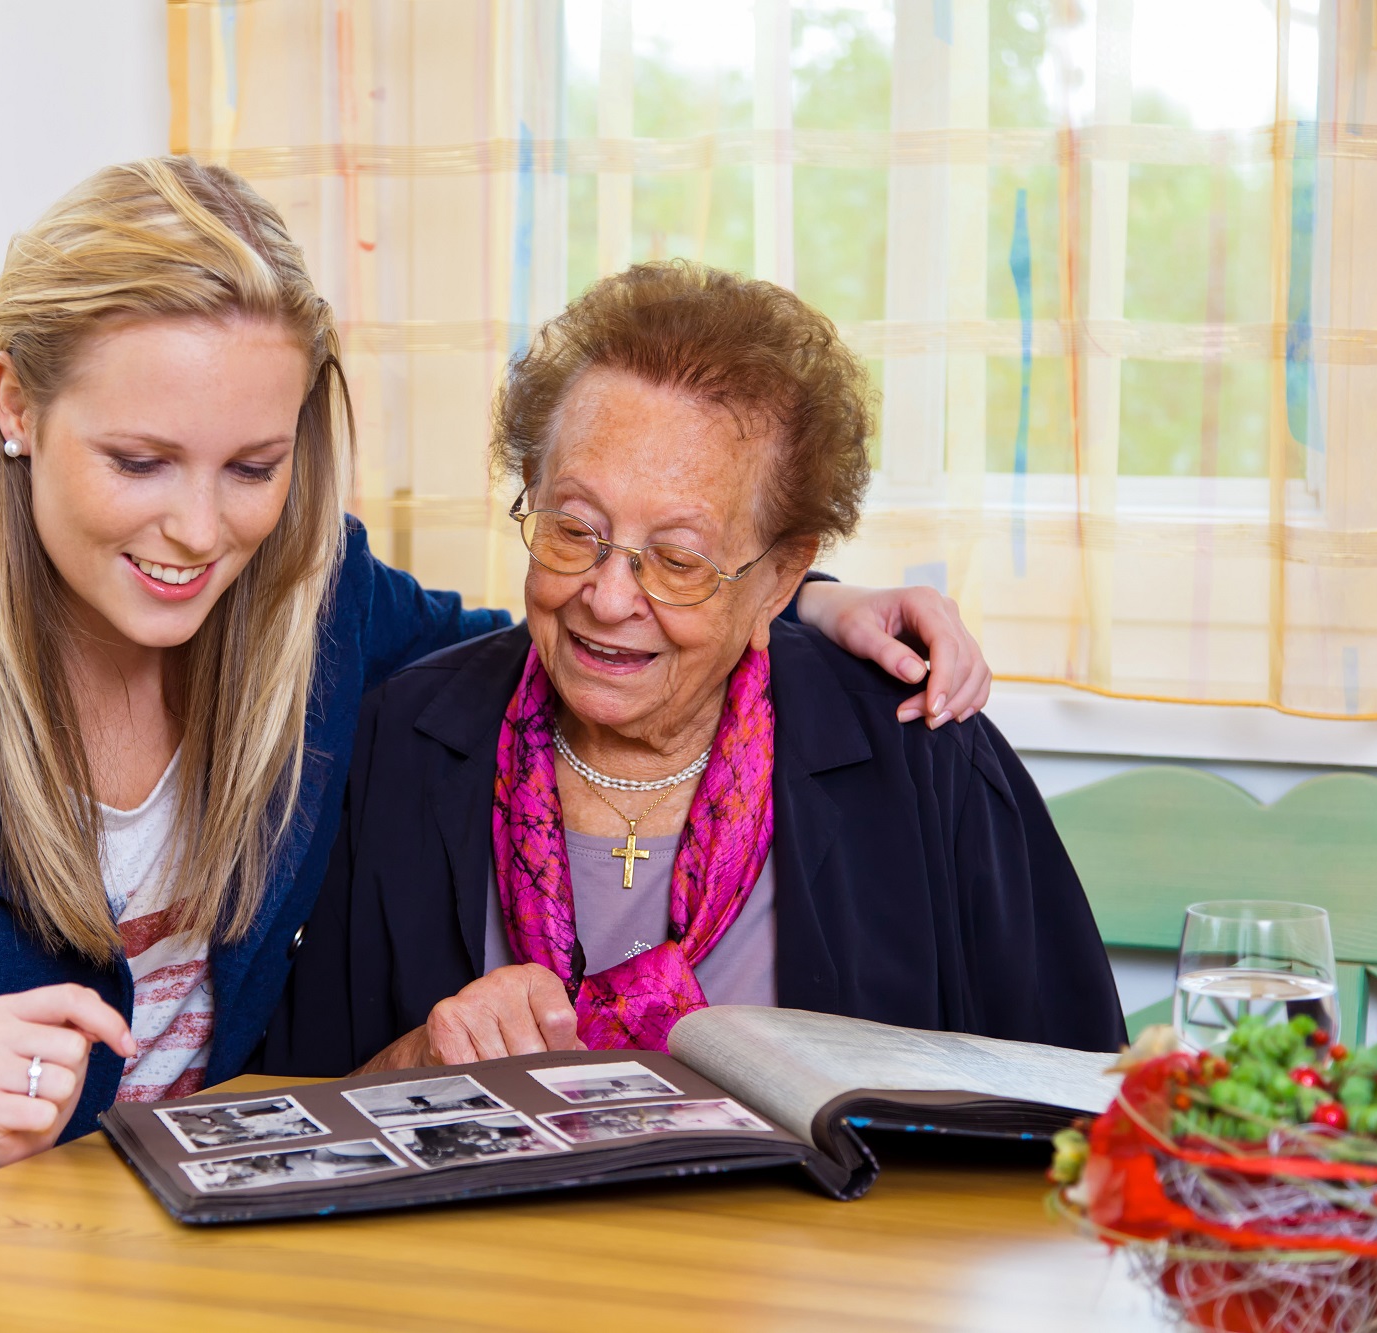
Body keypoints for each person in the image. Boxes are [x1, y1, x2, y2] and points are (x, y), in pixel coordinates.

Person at [0, 159, 994, 1298]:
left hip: (163, 1278)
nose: (199, 530)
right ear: (14, 403)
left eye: (254, 467)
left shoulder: (312, 603)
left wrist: (800, 595)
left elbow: (568, 626)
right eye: (138, 461)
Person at [263, 261, 1125, 1078]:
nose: (606, 597)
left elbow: (1078, 1110)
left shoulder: (923, 753)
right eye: (573, 528)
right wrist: (417, 1064)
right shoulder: (402, 746)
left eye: (677, 559)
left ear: (781, 576)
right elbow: (285, 1116)